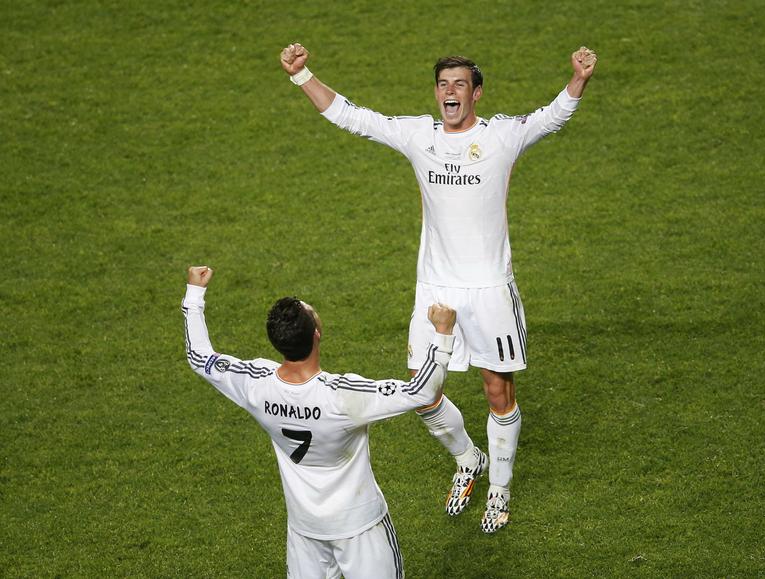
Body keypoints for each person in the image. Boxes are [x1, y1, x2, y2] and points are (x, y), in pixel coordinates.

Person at [280, 43, 597, 533]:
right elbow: (352, 117)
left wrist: (578, 78)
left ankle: (500, 491)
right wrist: (303, 76)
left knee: (497, 392)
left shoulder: (502, 137)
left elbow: (551, 118)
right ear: (436, 93)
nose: (450, 93)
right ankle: (468, 459)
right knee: (421, 391)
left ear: (476, 94)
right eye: (444, 85)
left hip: (490, 289)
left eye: (460, 85)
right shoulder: (417, 135)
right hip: (436, 289)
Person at [182, 265, 457, 578]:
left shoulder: (256, 385)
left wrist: (194, 294)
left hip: (305, 531)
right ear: (317, 333)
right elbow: (422, 392)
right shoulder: (341, 396)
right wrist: (443, 333)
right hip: (360, 528)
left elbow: (199, 357)